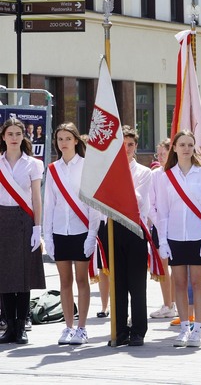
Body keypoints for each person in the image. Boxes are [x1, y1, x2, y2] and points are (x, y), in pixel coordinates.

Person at [155, 130, 201, 348]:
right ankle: (184, 327)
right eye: (182, 144)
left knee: (197, 284)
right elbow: (161, 212)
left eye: (190, 145)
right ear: (174, 147)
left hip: (199, 236)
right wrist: (162, 241)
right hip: (174, 237)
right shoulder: (165, 177)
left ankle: (198, 329)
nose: (186, 149)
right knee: (179, 284)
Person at [43, 123, 99, 345]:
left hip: (81, 230)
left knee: (81, 279)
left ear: (76, 140)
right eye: (60, 139)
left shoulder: (86, 166)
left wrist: (91, 235)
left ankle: (82, 328)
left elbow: (92, 204)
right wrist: (48, 237)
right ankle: (68, 327)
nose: (63, 143)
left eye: (67, 138)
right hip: (60, 230)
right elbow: (49, 204)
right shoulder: (53, 169)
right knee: (64, 281)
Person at [0, 118, 45, 345]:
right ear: (4, 137)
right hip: (2, 218)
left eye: (18, 133)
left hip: (24, 220)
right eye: (10, 134)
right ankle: (9, 326)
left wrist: (38, 227)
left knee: (24, 276)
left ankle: (21, 327)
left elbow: (36, 198)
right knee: (5, 277)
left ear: (23, 136)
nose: (14, 138)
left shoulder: (33, 164)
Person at [107, 126, 153, 347]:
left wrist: (121, 178)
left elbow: (140, 201)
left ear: (136, 146)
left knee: (136, 283)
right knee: (117, 282)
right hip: (113, 229)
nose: (126, 149)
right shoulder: (109, 171)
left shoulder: (144, 173)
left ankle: (138, 330)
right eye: (121, 145)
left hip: (135, 229)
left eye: (130, 145)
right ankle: (119, 330)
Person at [149, 138, 177, 320]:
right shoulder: (155, 175)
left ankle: (175, 303)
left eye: (163, 154)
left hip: (177, 226)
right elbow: (150, 203)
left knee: (178, 267)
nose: (160, 157)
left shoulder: (176, 173)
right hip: (159, 226)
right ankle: (167, 303)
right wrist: (159, 223)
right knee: (163, 266)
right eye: (158, 154)